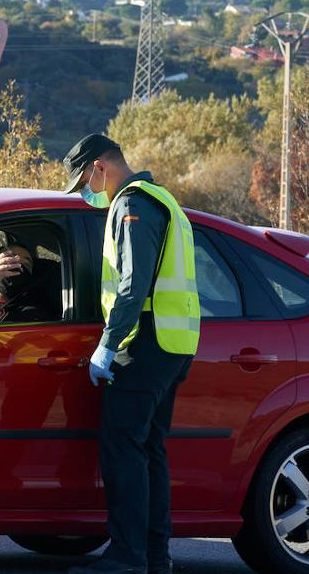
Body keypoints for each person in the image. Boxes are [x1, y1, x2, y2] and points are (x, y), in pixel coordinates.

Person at [63, 134, 200, 574]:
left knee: (123, 449)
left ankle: (126, 556)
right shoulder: (163, 199)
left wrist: (107, 345)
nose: (88, 189)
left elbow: (132, 285)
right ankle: (155, 557)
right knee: (149, 452)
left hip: (143, 343)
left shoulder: (132, 205)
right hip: (172, 344)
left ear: (102, 166)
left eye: (86, 178)